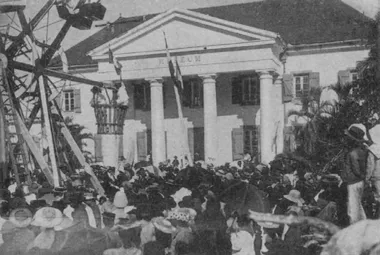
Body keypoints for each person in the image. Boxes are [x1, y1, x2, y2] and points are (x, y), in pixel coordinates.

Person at [341, 125, 368, 224]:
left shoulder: (352, 153)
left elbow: (356, 170)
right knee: (358, 205)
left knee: (352, 208)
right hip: (358, 182)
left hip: (353, 182)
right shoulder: (362, 151)